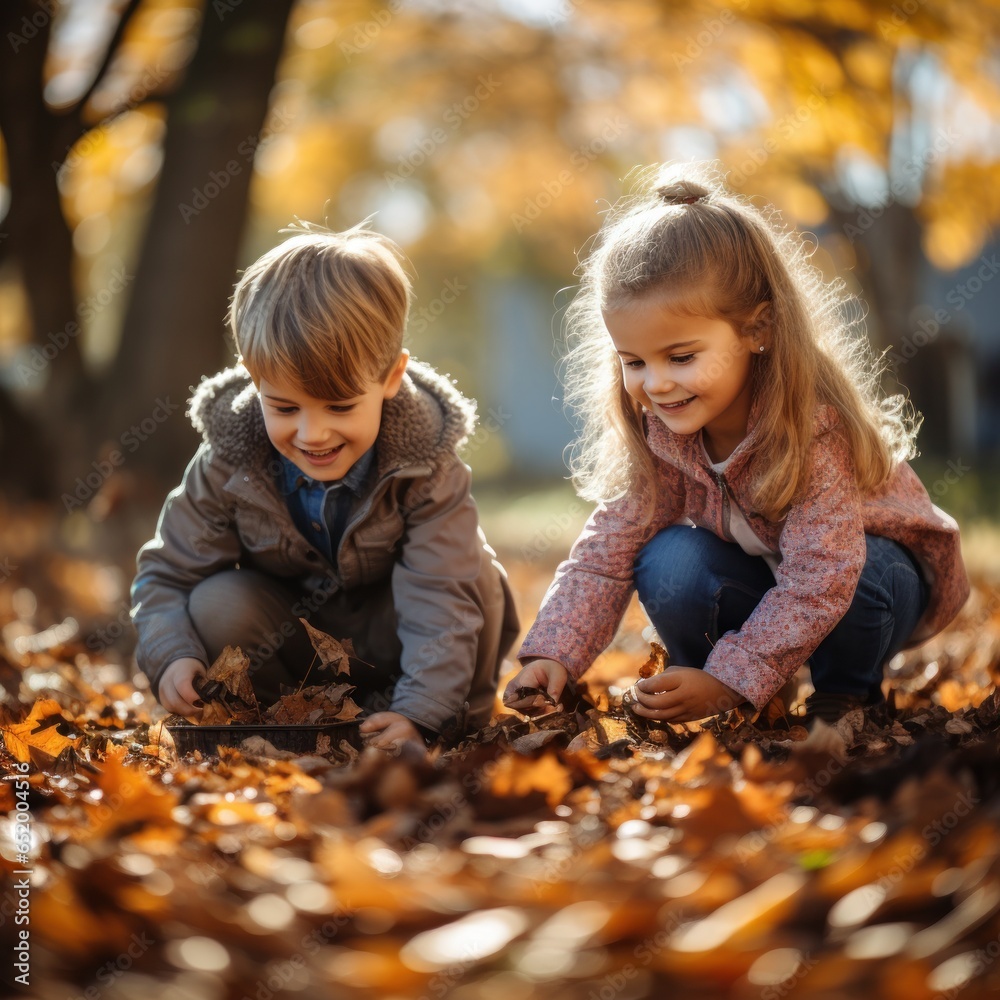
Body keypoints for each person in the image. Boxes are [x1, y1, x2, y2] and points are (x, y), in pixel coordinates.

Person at [505, 163, 969, 725]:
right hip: (774, 593)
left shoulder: (813, 429)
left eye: (681, 357)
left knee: (863, 571)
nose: (656, 383)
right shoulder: (661, 438)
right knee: (668, 559)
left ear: (757, 330)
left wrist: (732, 678)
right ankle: (726, 684)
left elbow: (822, 579)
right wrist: (553, 653)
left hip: (872, 587)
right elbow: (605, 555)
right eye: (634, 362)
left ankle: (846, 693)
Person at [131, 219, 519, 749]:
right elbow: (167, 575)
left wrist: (421, 711)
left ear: (390, 378)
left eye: (340, 407)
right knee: (216, 601)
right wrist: (172, 653)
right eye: (286, 407)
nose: (313, 434)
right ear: (253, 376)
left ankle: (442, 723)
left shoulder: (426, 466)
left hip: (399, 643)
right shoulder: (229, 461)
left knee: (476, 575)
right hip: (298, 649)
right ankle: (289, 726)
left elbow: (440, 596)